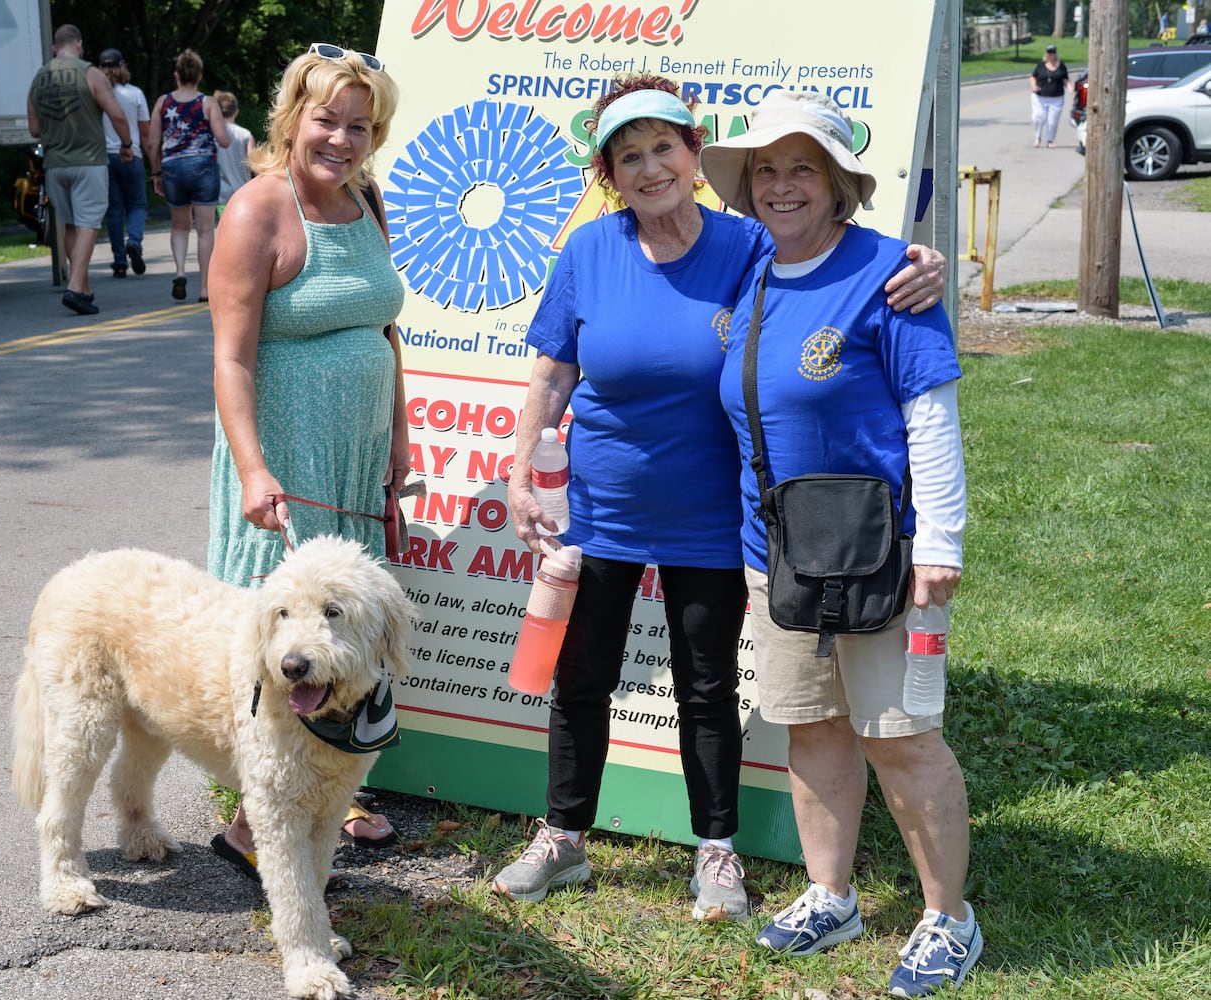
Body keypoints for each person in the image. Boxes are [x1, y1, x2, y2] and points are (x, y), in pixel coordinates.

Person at [492, 75, 945, 923]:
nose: (650, 167)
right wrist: (522, 471)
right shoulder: (589, 253)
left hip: (714, 512)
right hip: (600, 508)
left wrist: (923, 263)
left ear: (696, 155)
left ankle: (717, 853)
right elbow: (552, 372)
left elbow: (840, 258)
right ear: (610, 175)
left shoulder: (747, 245)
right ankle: (563, 838)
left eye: (664, 147)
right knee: (582, 678)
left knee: (706, 686)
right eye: (630, 155)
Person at [701, 90, 977, 997]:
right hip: (773, 554)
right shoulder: (748, 268)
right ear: (747, 187)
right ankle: (832, 894)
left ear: (839, 184)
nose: (782, 186)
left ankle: (949, 918)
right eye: (766, 170)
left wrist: (939, 542)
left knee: (900, 737)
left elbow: (929, 417)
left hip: (880, 553)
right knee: (811, 725)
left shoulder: (892, 275)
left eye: (802, 168)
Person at [204, 44, 407, 877]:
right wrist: (254, 469)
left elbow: (384, 330)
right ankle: (257, 822)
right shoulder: (257, 210)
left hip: (356, 458)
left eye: (360, 125)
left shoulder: (368, 201)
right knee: (284, 638)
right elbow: (230, 358)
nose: (342, 138)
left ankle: (334, 789)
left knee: (344, 634)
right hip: (286, 461)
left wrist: (399, 437)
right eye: (327, 119)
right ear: (292, 117)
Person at [27, 23, 134, 316]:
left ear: (54, 48)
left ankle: (84, 289)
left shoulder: (38, 78)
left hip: (55, 165)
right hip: (88, 161)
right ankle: (74, 287)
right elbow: (116, 115)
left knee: (73, 225)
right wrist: (126, 144)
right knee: (89, 223)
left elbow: (34, 128)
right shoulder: (91, 73)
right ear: (79, 45)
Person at [148, 50, 231, 303]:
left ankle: (181, 271)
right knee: (205, 229)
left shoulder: (163, 102)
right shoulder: (207, 102)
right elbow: (224, 140)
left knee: (180, 226)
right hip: (203, 167)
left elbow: (152, 143)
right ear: (199, 75)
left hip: (172, 168)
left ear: (176, 75)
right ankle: (205, 287)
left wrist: (156, 172)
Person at [98, 47, 150, 279]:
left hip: (104, 158)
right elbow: (145, 132)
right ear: (123, 66)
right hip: (131, 154)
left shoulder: (96, 95)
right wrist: (152, 162)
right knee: (137, 204)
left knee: (114, 210)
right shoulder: (135, 94)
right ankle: (135, 242)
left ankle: (119, 262)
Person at [213, 90, 254, 217]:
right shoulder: (245, 134)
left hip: (221, 194)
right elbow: (253, 163)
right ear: (236, 112)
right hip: (243, 193)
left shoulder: (212, 135)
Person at [1030, 44, 1070, 148]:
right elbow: (1033, 77)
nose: (1051, 55)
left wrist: (1070, 87)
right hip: (1040, 97)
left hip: (1056, 97)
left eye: (1053, 53)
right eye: (1049, 53)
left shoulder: (1061, 66)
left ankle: (1050, 140)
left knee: (1052, 121)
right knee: (1038, 117)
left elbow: (1065, 79)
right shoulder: (1041, 65)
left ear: (1056, 54)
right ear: (1046, 54)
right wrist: (1034, 86)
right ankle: (1037, 138)